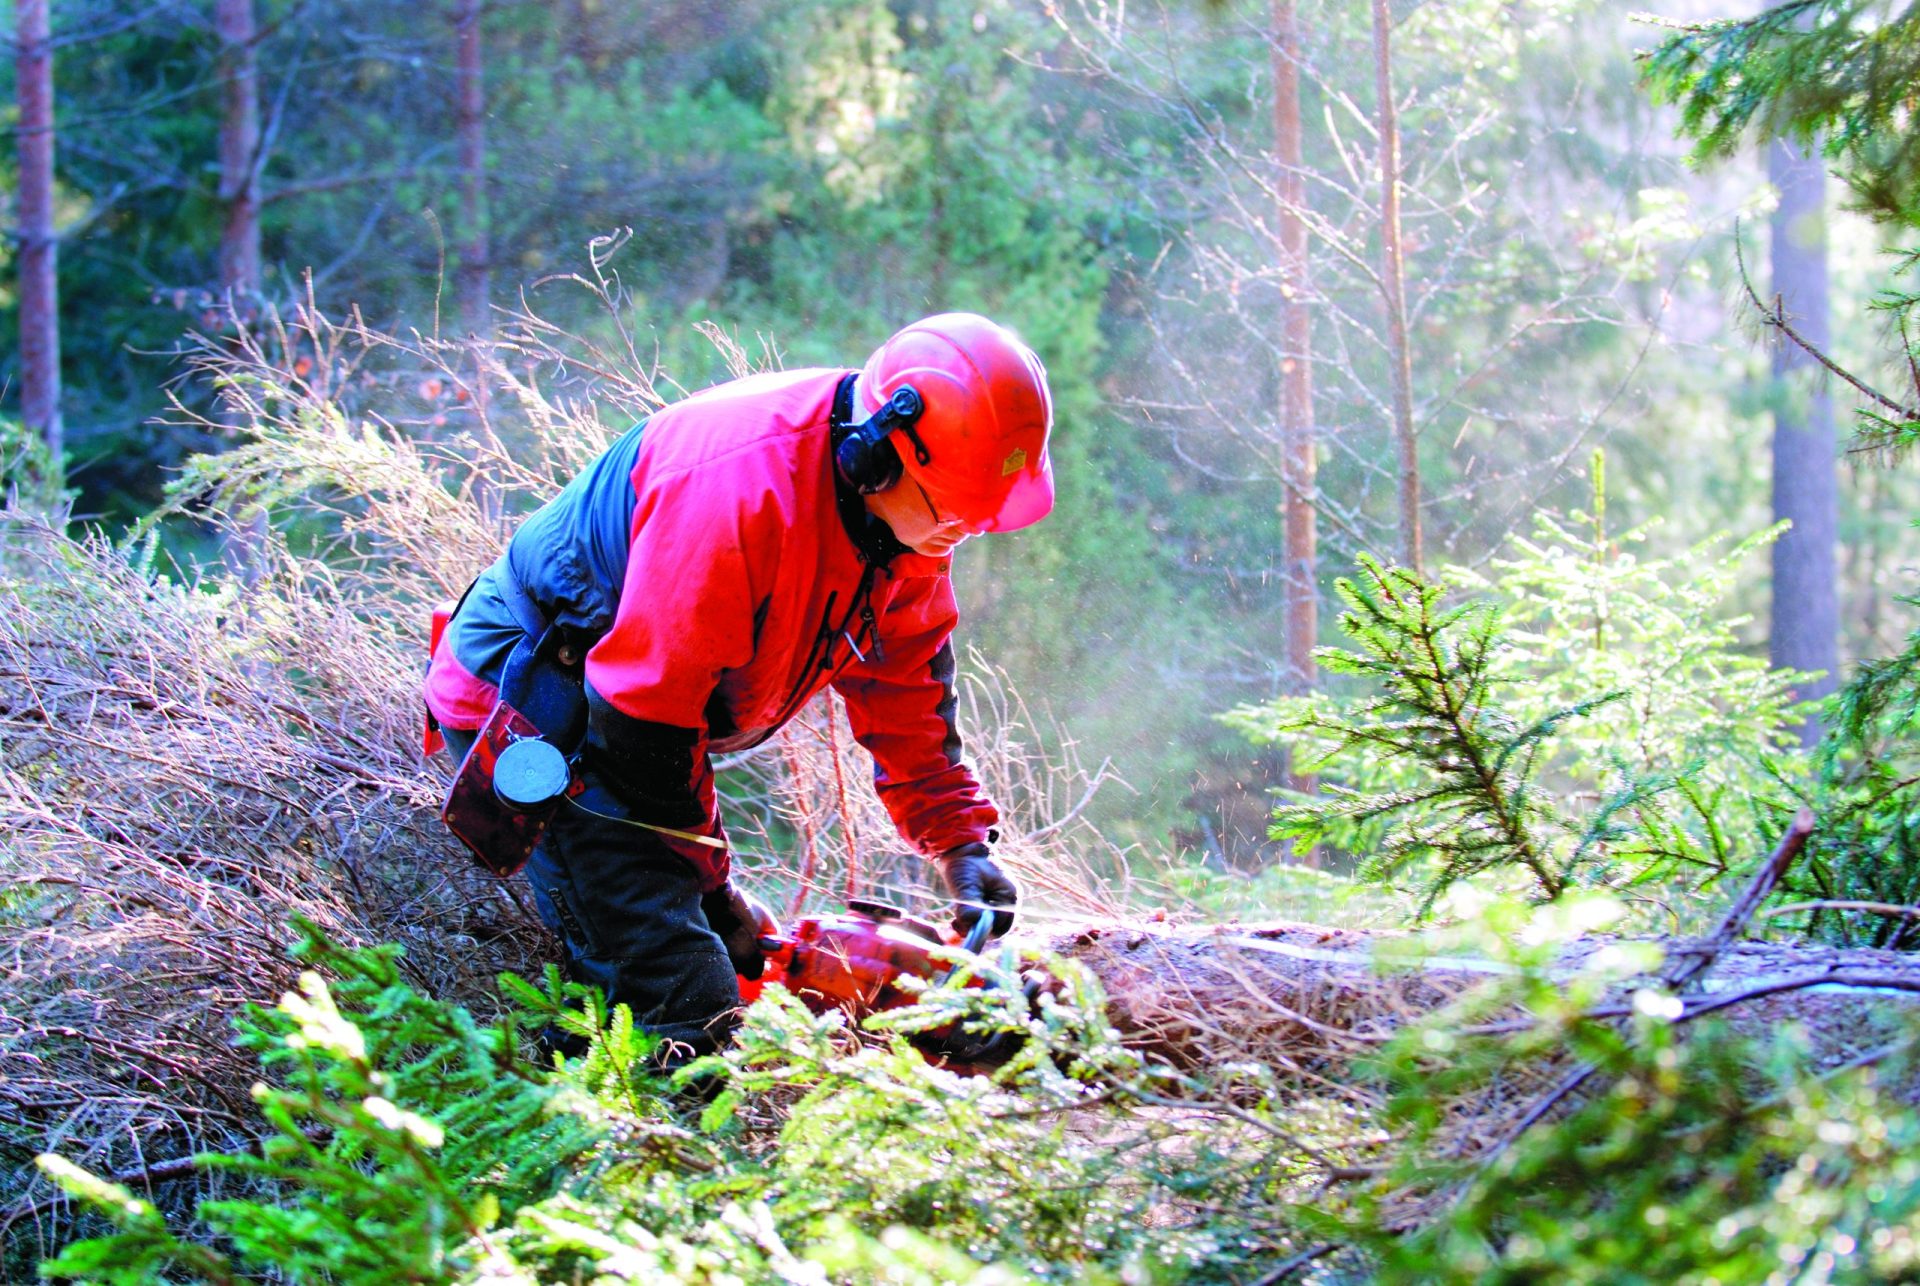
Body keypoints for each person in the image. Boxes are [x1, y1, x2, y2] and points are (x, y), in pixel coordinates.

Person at [422, 312, 1053, 1059]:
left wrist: (959, 840)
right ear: (877, 455)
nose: (963, 533)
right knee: (678, 995)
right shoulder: (737, 494)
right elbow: (642, 727)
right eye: (953, 511)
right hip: (548, 698)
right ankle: (616, 1141)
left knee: (693, 946)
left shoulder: (911, 521)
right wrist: (714, 892)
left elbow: (907, 682)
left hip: (639, 705)